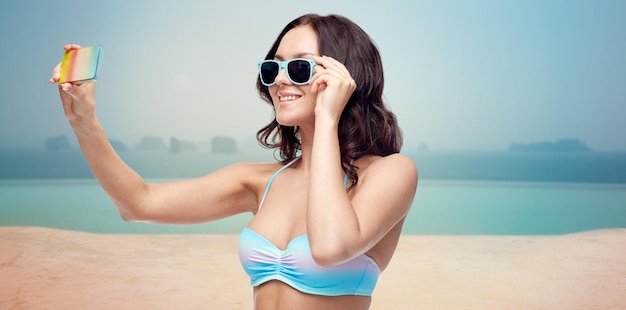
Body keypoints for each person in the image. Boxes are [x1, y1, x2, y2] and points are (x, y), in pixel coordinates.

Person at [50, 13, 417, 310]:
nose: (280, 81)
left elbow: (329, 246)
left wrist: (327, 120)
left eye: (301, 69)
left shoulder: (391, 173)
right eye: (273, 69)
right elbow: (138, 203)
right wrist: (84, 121)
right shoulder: (259, 181)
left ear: (345, 79)